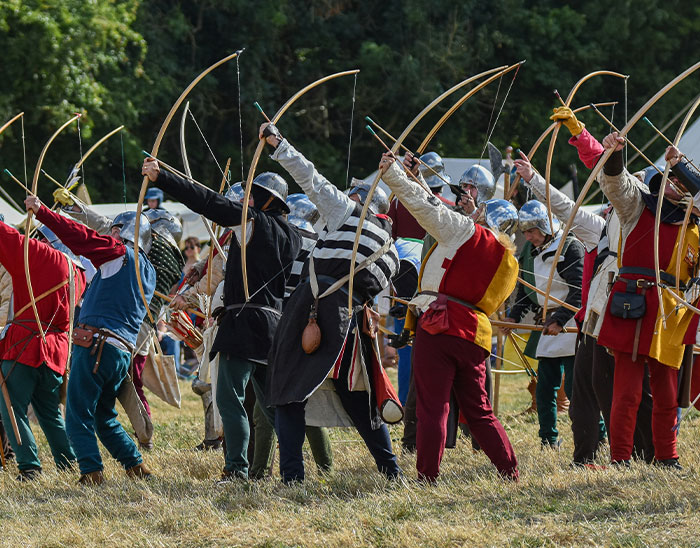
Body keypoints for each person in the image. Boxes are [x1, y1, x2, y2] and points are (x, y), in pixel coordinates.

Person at [142, 155, 302, 482]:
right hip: (274, 327)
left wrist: (163, 177)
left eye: (255, 194)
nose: (249, 199)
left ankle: (236, 471)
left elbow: (209, 202)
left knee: (230, 404)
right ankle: (292, 472)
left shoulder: (254, 222)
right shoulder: (294, 235)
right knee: (273, 408)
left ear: (270, 200)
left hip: (242, 327)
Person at [259, 122, 401, 484]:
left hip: (313, 312)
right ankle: (392, 471)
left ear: (361, 201)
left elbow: (311, 178)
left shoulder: (346, 213)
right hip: (351, 325)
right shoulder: (392, 252)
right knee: (357, 399)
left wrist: (278, 142)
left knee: (289, 394)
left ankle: (292, 479)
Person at [517, 109, 654, 465]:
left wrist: (583, 135)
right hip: (594, 319)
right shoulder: (604, 224)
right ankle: (585, 456)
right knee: (584, 392)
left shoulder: (646, 223)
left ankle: (643, 453)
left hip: (628, 314)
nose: (617, 197)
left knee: (627, 392)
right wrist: (533, 178)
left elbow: (612, 173)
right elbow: (567, 208)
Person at [379, 151, 518, 482]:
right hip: (475, 333)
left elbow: (429, 212)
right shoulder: (508, 260)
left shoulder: (466, 232)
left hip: (440, 327)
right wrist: (415, 177)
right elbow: (438, 210)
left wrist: (393, 175)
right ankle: (508, 469)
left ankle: (428, 475)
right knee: (479, 409)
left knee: (434, 406)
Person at [26, 196, 156, 485]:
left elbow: (81, 237)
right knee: (103, 415)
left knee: (77, 413)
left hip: (97, 345)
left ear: (123, 232)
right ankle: (135, 465)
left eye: (114, 229)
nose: (109, 232)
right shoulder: (149, 270)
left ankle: (91, 472)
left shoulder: (119, 254)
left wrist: (43, 212)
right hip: (120, 352)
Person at [597, 133, 700, 469]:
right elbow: (615, 183)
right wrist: (614, 153)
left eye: (681, 183)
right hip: (633, 302)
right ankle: (620, 458)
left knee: (667, 394)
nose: (675, 186)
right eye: (670, 180)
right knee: (626, 392)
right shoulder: (638, 207)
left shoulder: (695, 227)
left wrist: (681, 166)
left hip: (670, 313)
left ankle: (667, 457)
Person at [0, 217, 86, 481]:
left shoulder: (37, 254)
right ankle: (68, 462)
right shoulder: (78, 270)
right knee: (49, 412)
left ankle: (29, 466)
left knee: (11, 407)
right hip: (56, 350)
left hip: (25, 345)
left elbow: (6, 235)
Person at [504, 200, 584, 448]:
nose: (529, 236)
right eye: (525, 231)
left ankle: (594, 436)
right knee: (544, 388)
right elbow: (527, 290)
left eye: (533, 230)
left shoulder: (570, 247)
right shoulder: (531, 250)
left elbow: (579, 290)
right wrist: (513, 317)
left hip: (570, 325)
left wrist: (560, 320)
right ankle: (549, 439)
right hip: (547, 326)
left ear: (546, 226)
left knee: (575, 389)